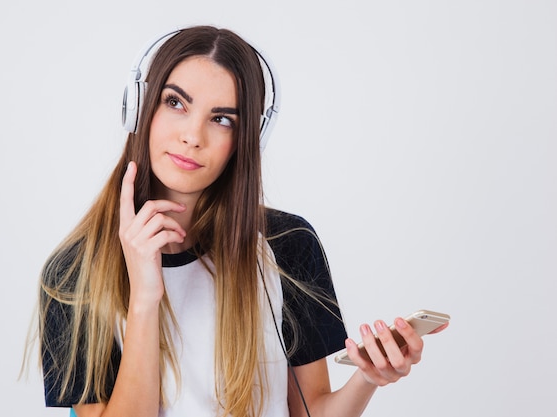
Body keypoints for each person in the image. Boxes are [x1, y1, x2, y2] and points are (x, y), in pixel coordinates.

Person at [36, 25, 448, 417]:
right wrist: (144, 300)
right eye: (175, 102)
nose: (193, 136)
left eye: (222, 119)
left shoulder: (286, 244)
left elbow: (311, 409)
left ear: (246, 139)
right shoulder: (74, 273)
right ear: (139, 108)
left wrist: (369, 378)